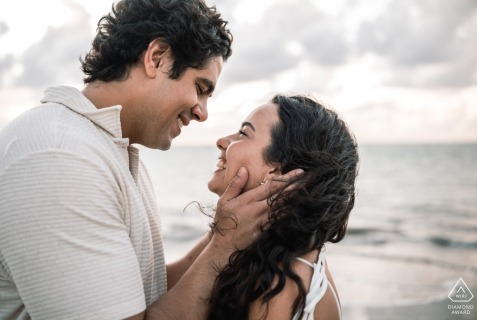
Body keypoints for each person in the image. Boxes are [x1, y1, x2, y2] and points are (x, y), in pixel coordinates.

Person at [0, 1, 301, 319]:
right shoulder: (59, 157)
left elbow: (141, 294)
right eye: (200, 87)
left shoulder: (107, 148)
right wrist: (224, 246)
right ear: (157, 58)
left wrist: (227, 230)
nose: (202, 112)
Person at [205, 95, 359, 320]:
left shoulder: (282, 282)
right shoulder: (275, 257)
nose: (222, 141)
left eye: (244, 134)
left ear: (276, 173)